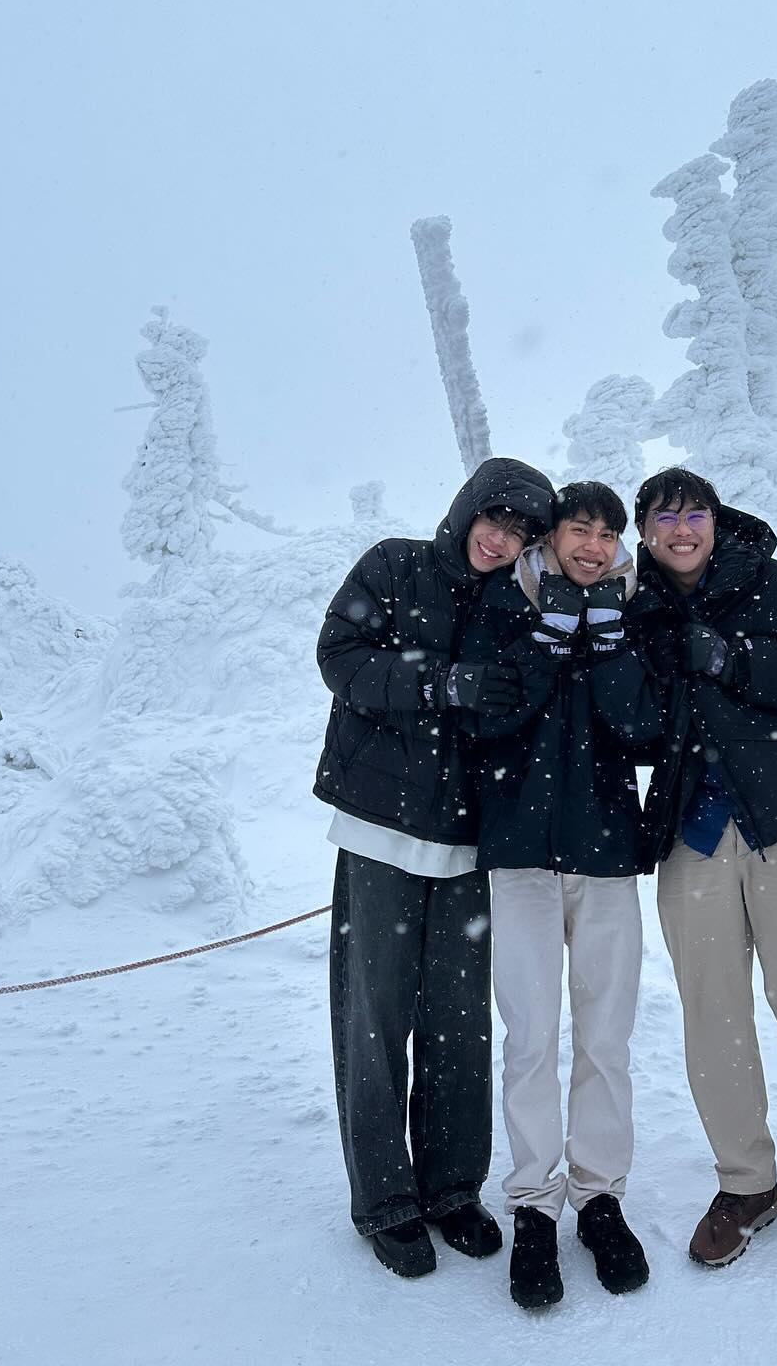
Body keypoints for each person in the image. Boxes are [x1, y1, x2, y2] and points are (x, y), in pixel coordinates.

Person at [314, 456, 555, 1279]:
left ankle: (453, 1188)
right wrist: (440, 682)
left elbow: (525, 708)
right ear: (466, 511)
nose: (502, 539)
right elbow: (339, 658)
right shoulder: (393, 565)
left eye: (520, 532)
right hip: (379, 830)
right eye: (496, 520)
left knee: (459, 1020)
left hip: (466, 843)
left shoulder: (513, 608)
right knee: (374, 1017)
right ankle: (385, 1200)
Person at [631, 466, 777, 1269]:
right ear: (646, 533)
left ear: (714, 520)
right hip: (690, 837)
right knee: (713, 1015)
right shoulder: (637, 609)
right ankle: (746, 1183)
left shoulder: (767, 581)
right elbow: (629, 723)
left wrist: (734, 659)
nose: (681, 529)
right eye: (664, 518)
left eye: (693, 512)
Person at [459, 481, 661, 1310]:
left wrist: (609, 643)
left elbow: (645, 729)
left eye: (609, 534)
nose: (595, 545)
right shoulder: (506, 606)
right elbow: (487, 721)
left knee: (605, 1037)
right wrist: (545, 641)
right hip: (520, 856)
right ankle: (535, 1207)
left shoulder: (631, 610)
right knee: (532, 1037)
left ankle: (601, 1198)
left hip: (607, 852)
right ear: (552, 537)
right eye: (581, 529)